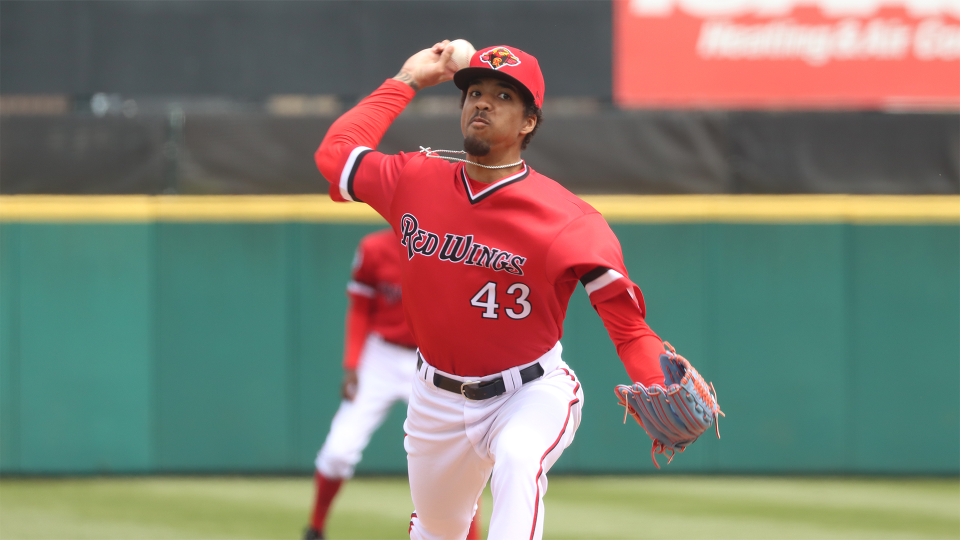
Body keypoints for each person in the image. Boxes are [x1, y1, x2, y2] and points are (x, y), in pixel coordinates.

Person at [315, 41, 666, 540]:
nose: (482, 102)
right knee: (438, 529)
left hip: (529, 390)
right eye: (474, 91)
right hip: (434, 396)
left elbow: (629, 329)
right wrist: (406, 79)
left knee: (519, 460)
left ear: (529, 123)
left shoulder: (568, 220)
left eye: (503, 96)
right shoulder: (413, 178)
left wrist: (655, 378)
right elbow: (334, 155)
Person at [305, 229, 483, 539]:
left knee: (459, 465)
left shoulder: (451, 247)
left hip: (432, 357)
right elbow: (360, 308)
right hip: (381, 357)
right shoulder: (374, 248)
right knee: (338, 451)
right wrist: (352, 364)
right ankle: (315, 528)